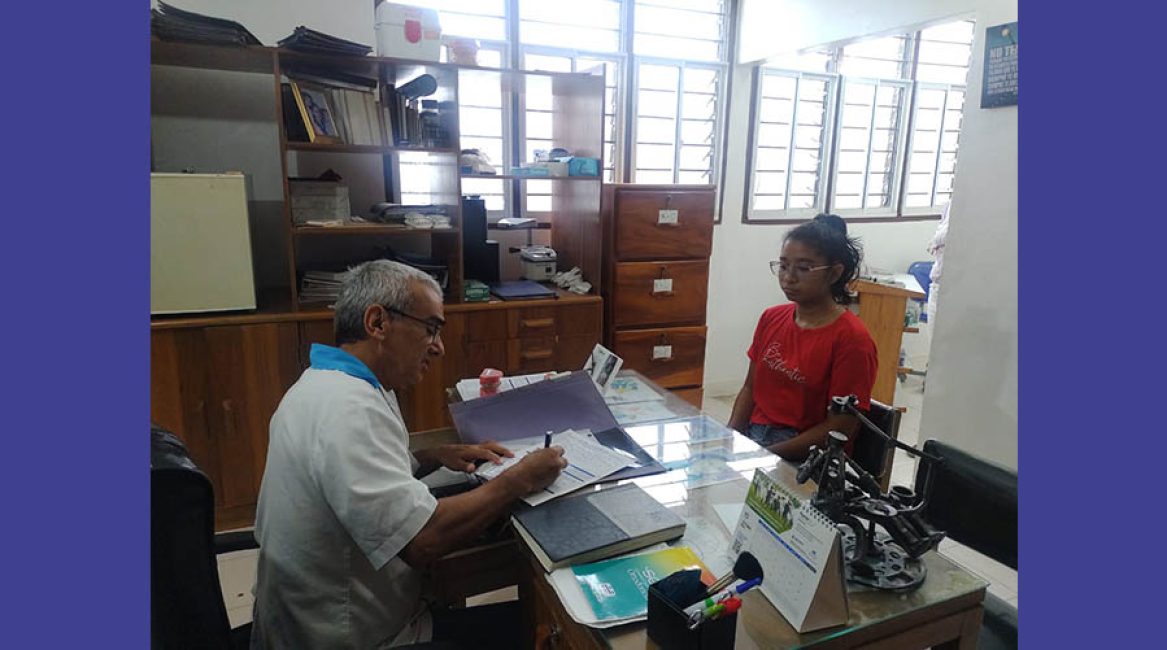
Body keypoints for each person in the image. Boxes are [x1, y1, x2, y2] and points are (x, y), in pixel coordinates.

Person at [251, 260, 567, 649]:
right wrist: (518, 479)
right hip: (351, 637)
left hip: (320, 617)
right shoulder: (348, 409)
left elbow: (355, 478)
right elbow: (424, 541)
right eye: (430, 329)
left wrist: (432, 455)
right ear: (378, 323)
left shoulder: (332, 383)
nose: (439, 347)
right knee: (547, 629)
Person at [728, 214, 878, 461]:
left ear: (834, 273)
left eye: (803, 268)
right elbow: (750, 388)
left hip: (806, 455)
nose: (788, 277)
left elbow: (841, 428)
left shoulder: (852, 340)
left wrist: (764, 456)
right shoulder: (771, 318)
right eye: (784, 265)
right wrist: (730, 439)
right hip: (757, 440)